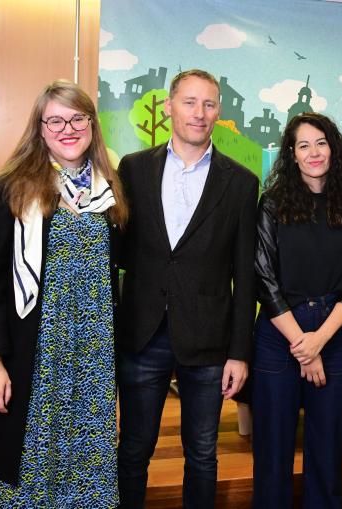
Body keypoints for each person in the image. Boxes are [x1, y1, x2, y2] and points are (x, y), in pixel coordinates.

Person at [0, 79, 128, 507]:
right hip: (33, 353)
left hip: (91, 356)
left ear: (92, 125)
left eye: (77, 119)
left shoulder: (109, 192)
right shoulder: (12, 188)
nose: (67, 129)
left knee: (85, 466)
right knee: (27, 464)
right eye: (55, 120)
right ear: (39, 129)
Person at [116, 69, 259, 509]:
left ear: (219, 112)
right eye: (190, 102)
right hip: (143, 335)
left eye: (209, 104)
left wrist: (239, 352)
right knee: (134, 449)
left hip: (210, 341)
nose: (199, 113)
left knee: (201, 454)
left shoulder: (241, 183)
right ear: (169, 107)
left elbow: (245, 276)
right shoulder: (133, 169)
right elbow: (115, 252)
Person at [252, 112, 342, 508]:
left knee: (327, 456)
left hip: (334, 336)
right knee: (272, 457)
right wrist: (303, 345)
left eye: (321, 143)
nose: (314, 152)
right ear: (292, 153)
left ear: (333, 149)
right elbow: (264, 279)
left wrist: (319, 341)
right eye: (303, 145)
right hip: (278, 336)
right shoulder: (272, 204)